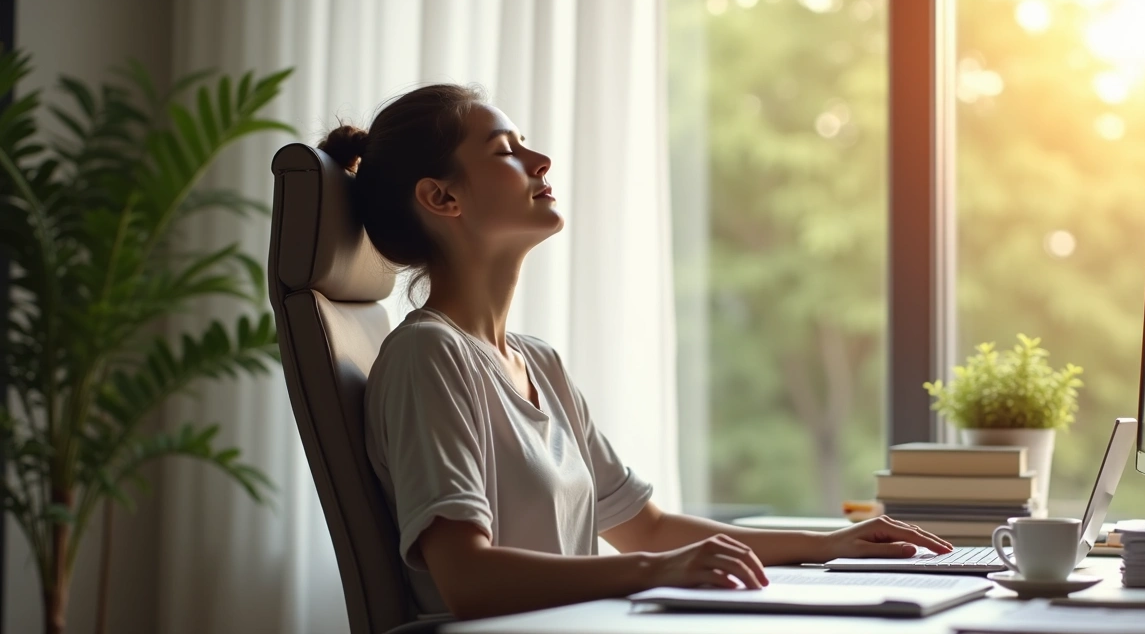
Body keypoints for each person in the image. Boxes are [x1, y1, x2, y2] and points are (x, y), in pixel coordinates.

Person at [319, 84, 953, 622]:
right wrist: (659, 571)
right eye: (506, 153)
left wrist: (830, 544)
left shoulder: (539, 363)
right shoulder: (428, 357)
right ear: (441, 198)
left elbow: (646, 529)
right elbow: (467, 578)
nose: (540, 161)